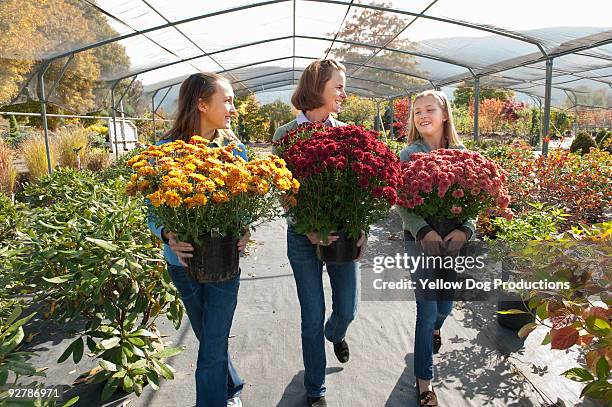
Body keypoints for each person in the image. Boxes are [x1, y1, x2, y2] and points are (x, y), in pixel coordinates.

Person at [148, 72, 250, 407]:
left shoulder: (236, 151)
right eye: (228, 100)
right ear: (202, 104)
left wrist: (245, 228)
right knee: (211, 337)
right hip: (183, 262)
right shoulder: (164, 153)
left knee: (212, 341)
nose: (233, 108)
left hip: (224, 261)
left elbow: (243, 204)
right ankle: (231, 386)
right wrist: (167, 235)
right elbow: (152, 211)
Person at [272, 59, 366, 407]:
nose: (344, 93)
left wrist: (362, 229)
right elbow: (284, 191)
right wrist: (307, 227)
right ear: (317, 88)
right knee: (311, 316)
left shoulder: (347, 133)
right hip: (301, 238)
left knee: (348, 309)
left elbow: (361, 188)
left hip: (343, 233)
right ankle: (315, 390)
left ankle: (336, 332)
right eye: (338, 86)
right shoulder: (286, 135)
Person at [397, 90, 476, 407]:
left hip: (454, 241)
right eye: (417, 112)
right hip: (420, 241)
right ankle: (425, 385)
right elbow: (401, 201)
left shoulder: (463, 153)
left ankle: (436, 329)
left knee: (444, 308)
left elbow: (474, 203)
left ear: (445, 115)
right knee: (426, 310)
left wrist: (466, 230)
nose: (422, 115)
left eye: (429, 109)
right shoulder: (408, 155)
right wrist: (422, 230)